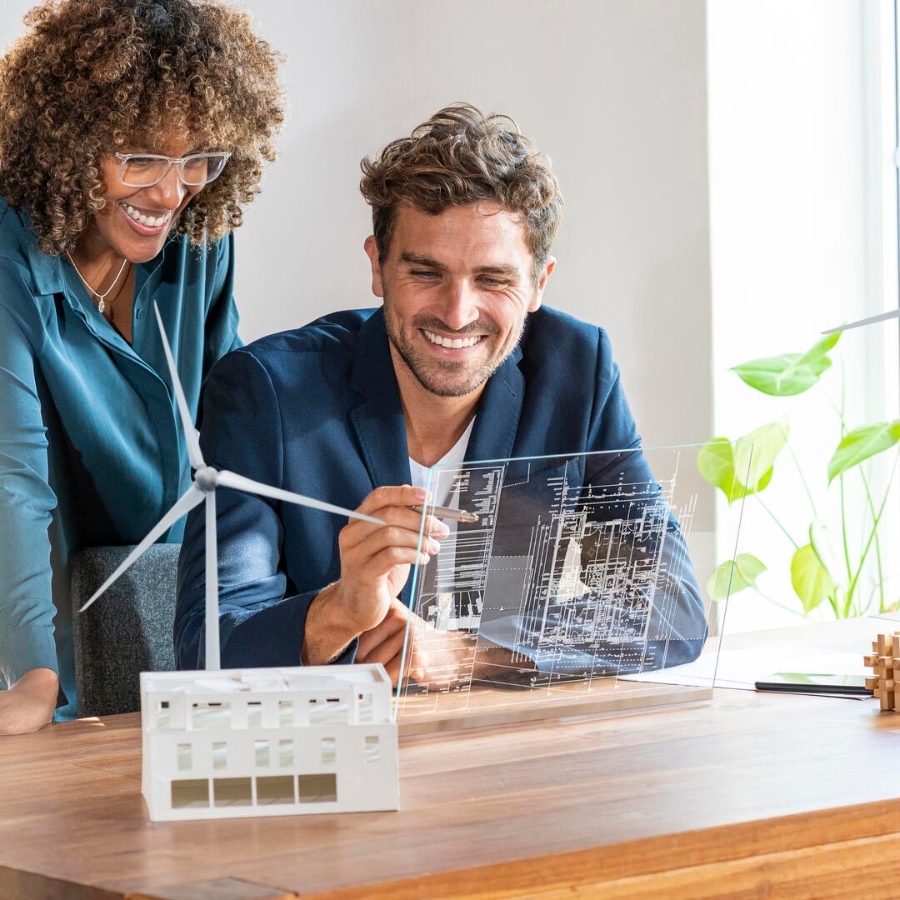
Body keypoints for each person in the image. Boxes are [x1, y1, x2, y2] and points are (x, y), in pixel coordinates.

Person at [176, 103, 706, 687]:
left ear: (539, 284)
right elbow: (206, 651)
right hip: (333, 759)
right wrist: (339, 611)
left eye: (493, 278)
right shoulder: (266, 392)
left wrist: (465, 653)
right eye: (426, 273)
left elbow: (672, 609)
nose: (457, 313)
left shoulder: (577, 373)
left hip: (509, 752)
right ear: (377, 266)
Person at [0, 0, 285, 734]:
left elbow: (233, 421)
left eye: (199, 158)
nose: (171, 191)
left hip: (169, 577)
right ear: (68, 143)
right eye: (140, 158)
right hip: (37, 583)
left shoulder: (198, 237)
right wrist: (33, 676)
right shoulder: (9, 264)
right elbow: (15, 481)